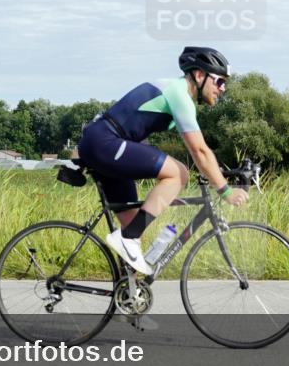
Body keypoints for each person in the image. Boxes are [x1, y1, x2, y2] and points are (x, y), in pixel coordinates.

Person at [75, 46, 249, 276]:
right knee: (179, 174)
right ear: (199, 75)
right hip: (106, 143)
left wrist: (220, 173)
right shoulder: (179, 94)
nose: (223, 89)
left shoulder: (174, 91)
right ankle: (127, 239)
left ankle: (127, 300)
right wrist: (225, 190)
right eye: (219, 82)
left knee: (133, 226)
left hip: (104, 145)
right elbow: (200, 151)